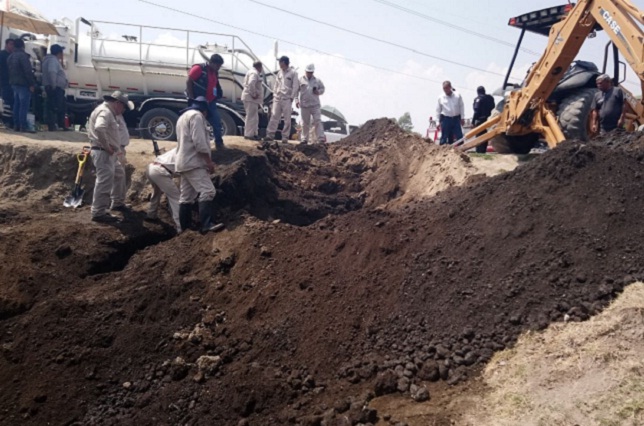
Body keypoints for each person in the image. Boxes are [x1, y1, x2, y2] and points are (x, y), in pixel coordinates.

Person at [175, 96, 223, 234]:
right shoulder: (197, 116)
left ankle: (185, 229)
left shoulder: (183, 117)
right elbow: (200, 143)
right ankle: (206, 225)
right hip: (193, 162)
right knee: (208, 191)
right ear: (205, 111)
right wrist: (208, 162)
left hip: (183, 162)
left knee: (186, 197)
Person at [88, 91, 134, 223]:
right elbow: (99, 128)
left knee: (119, 174)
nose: (123, 110)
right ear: (117, 103)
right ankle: (98, 212)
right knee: (104, 182)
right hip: (104, 152)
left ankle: (118, 202)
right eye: (123, 107)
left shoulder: (108, 111)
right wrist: (107, 146)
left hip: (109, 152)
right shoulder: (106, 112)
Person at [186, 54, 225, 149]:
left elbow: (215, 84)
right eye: (217, 66)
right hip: (199, 102)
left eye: (220, 66)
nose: (218, 68)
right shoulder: (199, 69)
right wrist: (192, 98)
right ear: (211, 62)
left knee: (216, 121)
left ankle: (219, 144)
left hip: (210, 102)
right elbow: (189, 81)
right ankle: (194, 146)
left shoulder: (215, 72)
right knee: (197, 123)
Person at [146, 147, 181, 233]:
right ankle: (181, 226)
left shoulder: (179, 148)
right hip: (160, 171)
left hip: (151, 167)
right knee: (176, 198)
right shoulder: (186, 154)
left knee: (157, 192)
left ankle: (151, 214)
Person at [263, 56, 299, 143]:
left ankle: (285, 137)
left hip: (287, 99)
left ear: (284, 62)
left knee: (287, 119)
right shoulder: (279, 73)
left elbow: (295, 86)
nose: (279, 64)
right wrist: (275, 94)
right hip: (278, 98)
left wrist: (292, 97)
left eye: (280, 62)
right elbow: (276, 84)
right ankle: (270, 135)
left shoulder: (293, 73)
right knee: (274, 116)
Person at [7, 38, 36, 133]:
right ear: (23, 46)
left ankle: (16, 125)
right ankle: (23, 126)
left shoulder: (10, 56)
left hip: (14, 83)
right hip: (23, 84)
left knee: (16, 105)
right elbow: (27, 71)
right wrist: (31, 84)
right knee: (24, 105)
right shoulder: (23, 56)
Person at [42, 44, 69, 131]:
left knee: (57, 105)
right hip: (55, 87)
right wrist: (54, 85)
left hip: (53, 87)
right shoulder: (53, 61)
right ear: (59, 53)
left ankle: (58, 124)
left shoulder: (50, 60)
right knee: (55, 106)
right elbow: (52, 72)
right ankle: (53, 125)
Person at [297, 63, 325, 144]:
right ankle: (304, 139)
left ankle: (320, 138)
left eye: (311, 72)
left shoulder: (317, 81)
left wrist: (318, 92)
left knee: (317, 121)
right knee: (305, 123)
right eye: (308, 72)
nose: (309, 74)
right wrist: (296, 100)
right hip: (304, 105)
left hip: (315, 105)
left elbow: (323, 89)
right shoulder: (300, 80)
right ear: (305, 71)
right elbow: (296, 91)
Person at [436, 80, 465, 145]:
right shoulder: (441, 98)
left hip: (456, 119)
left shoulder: (457, 95)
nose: (445, 90)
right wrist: (438, 122)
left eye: (446, 88)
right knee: (444, 137)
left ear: (450, 87)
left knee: (459, 137)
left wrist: (462, 118)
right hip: (446, 119)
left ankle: (462, 151)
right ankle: (442, 152)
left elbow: (461, 106)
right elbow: (438, 110)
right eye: (444, 88)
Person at [241, 61, 263, 140]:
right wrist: (254, 94)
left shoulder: (251, 72)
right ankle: (249, 134)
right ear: (259, 67)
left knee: (254, 117)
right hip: (250, 98)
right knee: (251, 117)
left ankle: (254, 133)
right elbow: (251, 83)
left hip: (252, 99)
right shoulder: (254, 73)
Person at [471, 86, 495, 153]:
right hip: (489, 120)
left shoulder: (478, 99)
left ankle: (479, 151)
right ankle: (483, 150)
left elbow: (476, 111)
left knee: (479, 136)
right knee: (485, 136)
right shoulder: (490, 98)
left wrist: (473, 122)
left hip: (480, 121)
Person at [0, 38, 15, 127]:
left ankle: (9, 120)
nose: (12, 46)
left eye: (13, 44)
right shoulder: (2, 55)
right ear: (6, 44)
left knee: (9, 102)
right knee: (4, 101)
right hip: (3, 81)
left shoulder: (12, 55)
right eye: (10, 44)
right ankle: (4, 120)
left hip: (10, 81)